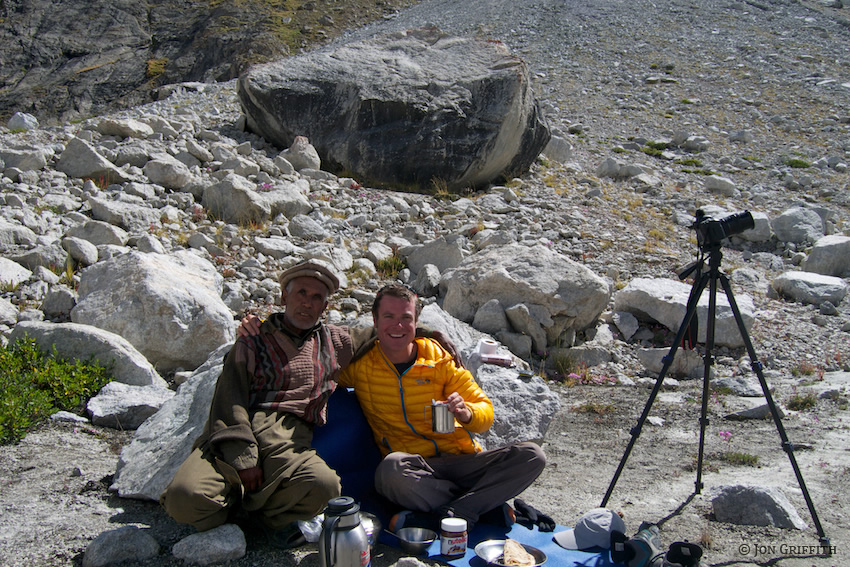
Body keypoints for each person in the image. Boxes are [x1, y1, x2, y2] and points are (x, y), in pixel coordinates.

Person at [161, 259, 360, 549]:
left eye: (317, 297)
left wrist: (432, 336)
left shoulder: (335, 341)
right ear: (284, 297)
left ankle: (259, 521)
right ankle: (242, 512)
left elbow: (390, 329)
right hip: (237, 436)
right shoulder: (253, 340)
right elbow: (229, 398)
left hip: (288, 444)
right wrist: (243, 456)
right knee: (184, 500)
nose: (307, 303)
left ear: (325, 306)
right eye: (301, 293)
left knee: (324, 486)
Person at [338, 283, 546, 532]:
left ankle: (445, 514)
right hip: (416, 470)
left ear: (416, 322)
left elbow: (485, 412)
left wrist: (467, 414)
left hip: (462, 461)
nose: (398, 326)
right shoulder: (362, 367)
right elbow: (322, 369)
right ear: (375, 320)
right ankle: (477, 506)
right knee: (389, 471)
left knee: (532, 456)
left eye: (406, 318)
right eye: (389, 317)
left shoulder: (440, 359)